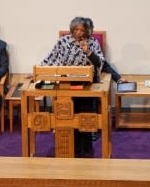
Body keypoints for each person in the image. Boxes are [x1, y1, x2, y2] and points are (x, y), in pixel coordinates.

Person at [40, 16, 104, 156]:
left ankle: (85, 149)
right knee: (68, 116)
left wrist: (88, 51)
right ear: (72, 29)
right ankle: (69, 146)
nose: (79, 33)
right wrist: (37, 71)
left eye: (82, 30)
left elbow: (99, 63)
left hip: (86, 86)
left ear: (88, 31)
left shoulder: (92, 42)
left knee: (84, 117)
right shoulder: (63, 42)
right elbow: (51, 59)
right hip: (66, 85)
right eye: (76, 29)